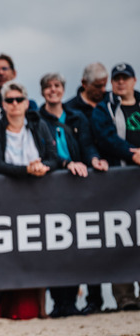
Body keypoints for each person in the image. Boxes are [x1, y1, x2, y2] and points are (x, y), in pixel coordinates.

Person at [0, 81, 60, 320]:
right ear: (3, 104)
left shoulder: (39, 125)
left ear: (27, 103)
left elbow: (54, 158)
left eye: (19, 100)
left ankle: (42, 309)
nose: (14, 104)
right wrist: (26, 170)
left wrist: (43, 167)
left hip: (36, 197)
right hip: (3, 197)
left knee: (37, 251)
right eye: (9, 100)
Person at [38, 72, 110, 317]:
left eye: (57, 85)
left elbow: (88, 144)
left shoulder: (76, 116)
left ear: (63, 88)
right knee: (55, 247)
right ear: (43, 91)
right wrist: (65, 163)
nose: (53, 90)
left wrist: (94, 159)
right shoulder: (37, 118)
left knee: (84, 244)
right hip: (51, 187)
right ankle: (61, 302)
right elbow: (44, 151)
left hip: (78, 185)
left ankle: (90, 300)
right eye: (48, 86)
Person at [91, 63, 140, 311]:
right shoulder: (105, 107)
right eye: (117, 78)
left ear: (134, 80)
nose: (121, 82)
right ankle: (125, 296)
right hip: (118, 182)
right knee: (120, 236)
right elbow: (104, 137)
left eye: (125, 78)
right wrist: (132, 155)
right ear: (111, 82)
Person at [64, 63, 110, 314]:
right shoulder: (70, 109)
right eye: (98, 86)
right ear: (84, 84)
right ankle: (75, 300)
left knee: (101, 241)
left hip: (106, 178)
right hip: (75, 181)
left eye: (105, 85)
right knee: (78, 242)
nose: (103, 90)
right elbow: (84, 142)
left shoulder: (110, 103)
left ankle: (101, 298)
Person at [0, 54, 38, 139]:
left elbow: (38, 133)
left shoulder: (30, 105)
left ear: (14, 73)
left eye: (4, 68)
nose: (1, 73)